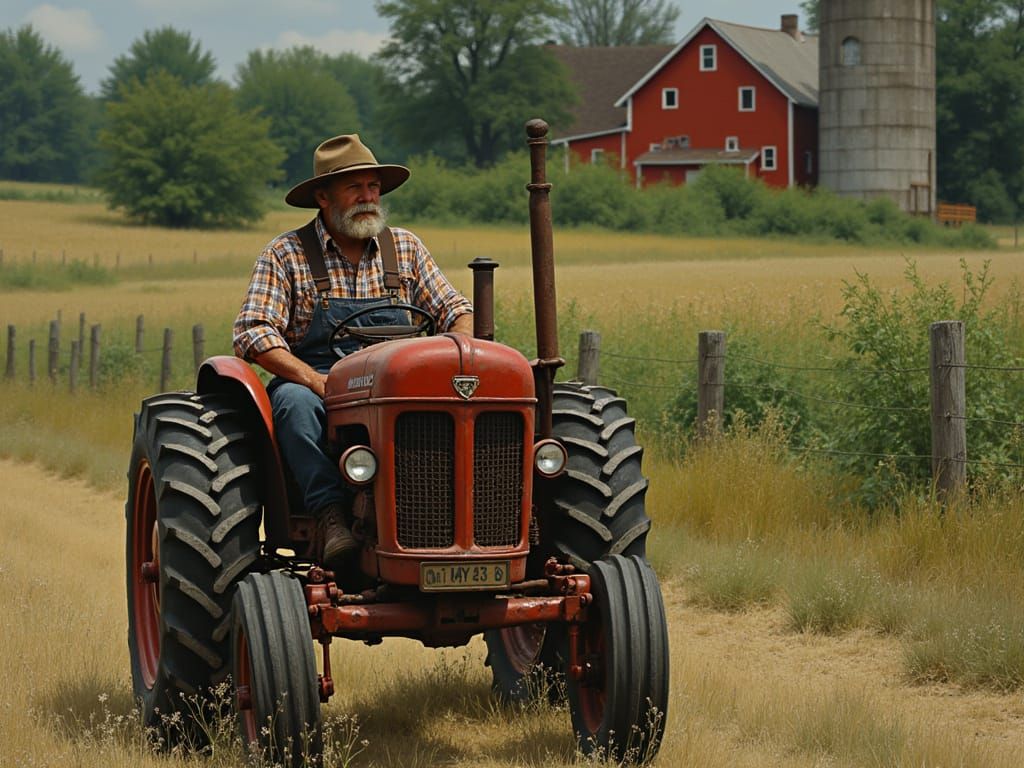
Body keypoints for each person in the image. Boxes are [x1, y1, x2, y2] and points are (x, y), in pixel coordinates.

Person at [233, 134, 473, 568]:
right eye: (354, 188)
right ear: (322, 197)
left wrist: (460, 344)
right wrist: (314, 380)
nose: (368, 197)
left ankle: (450, 514)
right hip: (322, 379)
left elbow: (455, 308)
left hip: (401, 381)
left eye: (374, 187)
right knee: (292, 402)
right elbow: (253, 331)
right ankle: (330, 515)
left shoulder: (405, 248)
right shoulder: (286, 254)